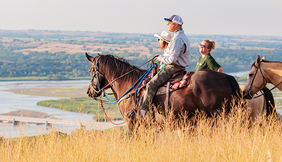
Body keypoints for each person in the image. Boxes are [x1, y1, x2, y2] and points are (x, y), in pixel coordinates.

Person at [127, 15, 191, 119]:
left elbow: (172, 60)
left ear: (176, 24)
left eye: (169, 23)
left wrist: (160, 58)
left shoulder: (177, 39)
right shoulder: (181, 37)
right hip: (178, 67)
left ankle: (142, 113)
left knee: (151, 85)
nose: (167, 24)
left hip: (172, 67)